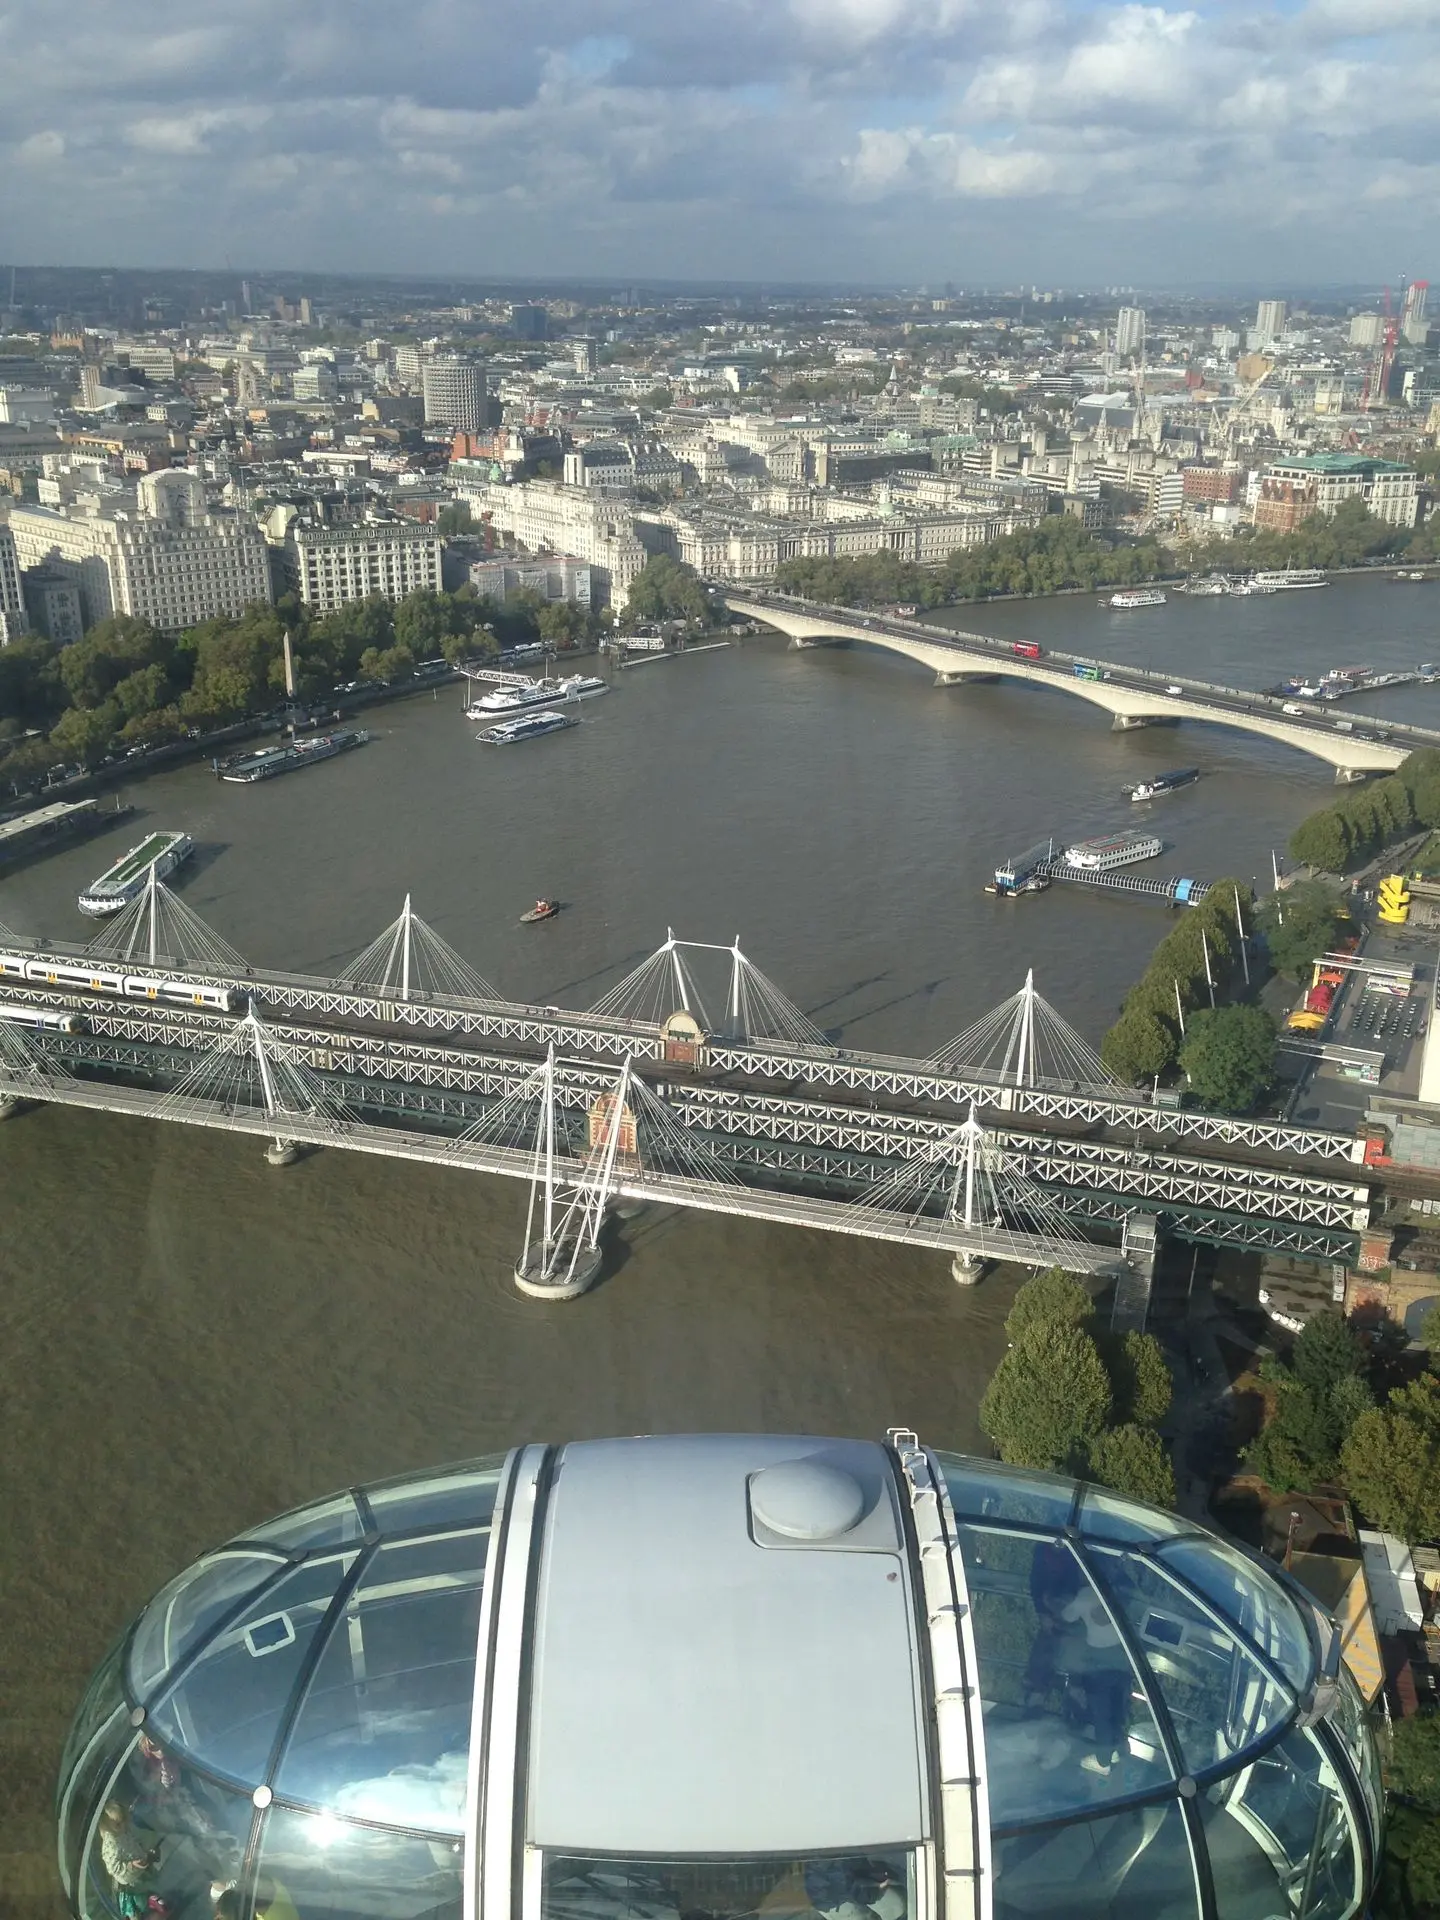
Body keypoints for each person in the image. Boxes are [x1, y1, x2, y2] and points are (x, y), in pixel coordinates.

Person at [1060, 1584, 1133, 1776]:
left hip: (1098, 1658)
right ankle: (1120, 1748)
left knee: (1101, 1710)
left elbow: (1068, 1616)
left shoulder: (1085, 1595)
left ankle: (1103, 1760)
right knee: (1119, 1704)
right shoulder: (1117, 1589)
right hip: (1121, 1654)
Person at [98, 1801, 164, 1919]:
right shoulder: (111, 1843)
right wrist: (129, 1865)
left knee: (151, 1890)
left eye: (124, 1821)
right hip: (131, 1882)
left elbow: (138, 1839)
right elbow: (112, 1868)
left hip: (142, 1869)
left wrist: (150, 1848)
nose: (123, 1826)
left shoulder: (124, 1830)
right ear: (106, 1826)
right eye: (118, 1824)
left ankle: (154, 1905)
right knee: (140, 1905)